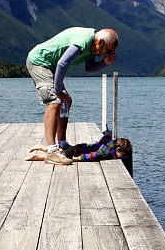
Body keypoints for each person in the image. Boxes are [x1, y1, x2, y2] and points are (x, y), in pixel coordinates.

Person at [25, 27, 118, 165]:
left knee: (65, 101)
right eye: (108, 50)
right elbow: (63, 63)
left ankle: (61, 145)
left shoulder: (93, 47)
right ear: (102, 42)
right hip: (39, 61)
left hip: (51, 67)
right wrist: (57, 91)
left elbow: (89, 69)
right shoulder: (83, 41)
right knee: (55, 101)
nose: (106, 54)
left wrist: (104, 63)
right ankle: (51, 151)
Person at [28, 131, 132, 162]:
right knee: (59, 156)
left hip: (80, 148)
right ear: (117, 149)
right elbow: (94, 156)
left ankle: (38, 157)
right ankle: (42, 147)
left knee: (59, 155)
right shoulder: (106, 150)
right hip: (77, 151)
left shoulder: (110, 144)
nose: (122, 157)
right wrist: (79, 158)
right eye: (122, 155)